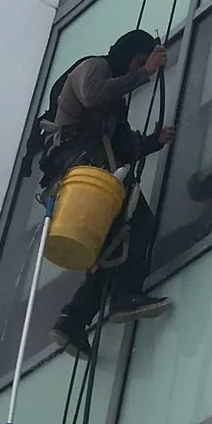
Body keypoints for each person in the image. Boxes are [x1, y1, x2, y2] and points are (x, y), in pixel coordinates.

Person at [36, 29, 175, 358]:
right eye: (137, 61)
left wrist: (154, 141)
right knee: (139, 221)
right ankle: (125, 296)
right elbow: (93, 95)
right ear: (128, 55)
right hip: (80, 167)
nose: (136, 69)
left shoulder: (115, 109)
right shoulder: (95, 66)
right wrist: (146, 72)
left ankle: (73, 320)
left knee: (114, 250)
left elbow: (123, 146)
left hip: (88, 172)